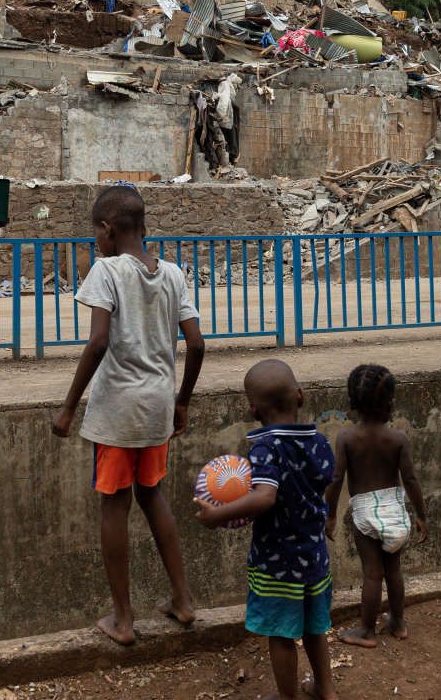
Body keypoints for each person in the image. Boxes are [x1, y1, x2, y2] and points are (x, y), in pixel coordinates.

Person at [51, 186, 206, 646]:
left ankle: (122, 618)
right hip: (158, 404)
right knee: (152, 495)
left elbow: (98, 342)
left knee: (114, 504)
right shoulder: (174, 274)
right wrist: (182, 400)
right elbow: (196, 344)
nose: (95, 241)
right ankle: (182, 599)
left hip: (118, 409)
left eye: (95, 232)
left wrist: (69, 406)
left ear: (107, 229)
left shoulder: (107, 271)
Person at [195, 360, 337, 700]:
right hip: (315, 557)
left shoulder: (265, 447)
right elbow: (325, 479)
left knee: (281, 634)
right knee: (314, 627)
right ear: (300, 396)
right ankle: (325, 690)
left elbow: (265, 497)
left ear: (253, 408)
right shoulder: (318, 441)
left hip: (277, 564)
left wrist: (220, 514)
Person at [323, 364, 427, 648]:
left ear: (353, 403)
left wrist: (330, 514)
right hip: (395, 507)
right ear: (389, 402)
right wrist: (421, 515)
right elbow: (411, 479)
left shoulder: (346, 438)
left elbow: (335, 479)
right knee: (393, 570)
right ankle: (398, 622)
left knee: (372, 572)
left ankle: (367, 630)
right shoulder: (398, 439)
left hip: (366, 511)